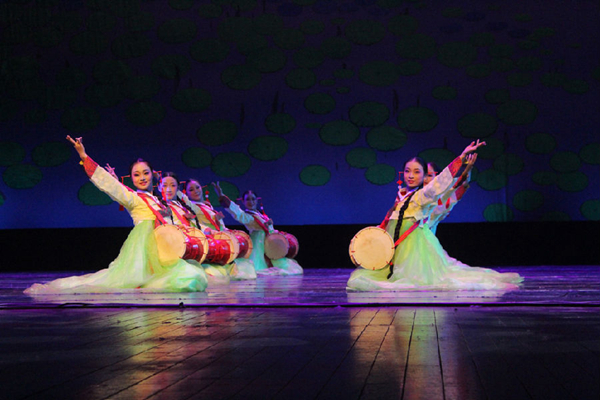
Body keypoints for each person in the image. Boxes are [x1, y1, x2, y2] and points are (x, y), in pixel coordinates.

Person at [24, 136, 208, 294]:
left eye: (145, 173)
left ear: (153, 174)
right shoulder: (133, 198)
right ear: (131, 178)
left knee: (195, 275)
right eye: (136, 175)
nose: (142, 178)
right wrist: (83, 155)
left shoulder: (159, 201)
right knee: (188, 278)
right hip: (145, 251)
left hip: (164, 249)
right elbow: (110, 185)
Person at [347, 140, 522, 291]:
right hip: (396, 244)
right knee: (383, 276)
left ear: (424, 176)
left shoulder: (423, 195)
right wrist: (375, 234)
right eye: (407, 171)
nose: (411, 175)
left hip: (413, 246)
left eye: (417, 172)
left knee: (415, 280)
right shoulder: (401, 195)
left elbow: (442, 181)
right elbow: (389, 218)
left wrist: (462, 159)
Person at [214, 184, 303, 276]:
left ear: (257, 200)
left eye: (253, 199)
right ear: (243, 202)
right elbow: (238, 213)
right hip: (257, 243)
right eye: (248, 199)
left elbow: (269, 229)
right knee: (257, 267)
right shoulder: (248, 216)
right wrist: (222, 196)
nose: (251, 202)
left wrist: (270, 225)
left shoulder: (259, 215)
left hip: (267, 243)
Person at [181, 179, 257, 280]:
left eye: (197, 187)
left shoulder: (207, 205)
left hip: (218, 237)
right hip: (210, 241)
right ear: (186, 193)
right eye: (191, 190)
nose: (196, 191)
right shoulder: (192, 206)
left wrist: (219, 222)